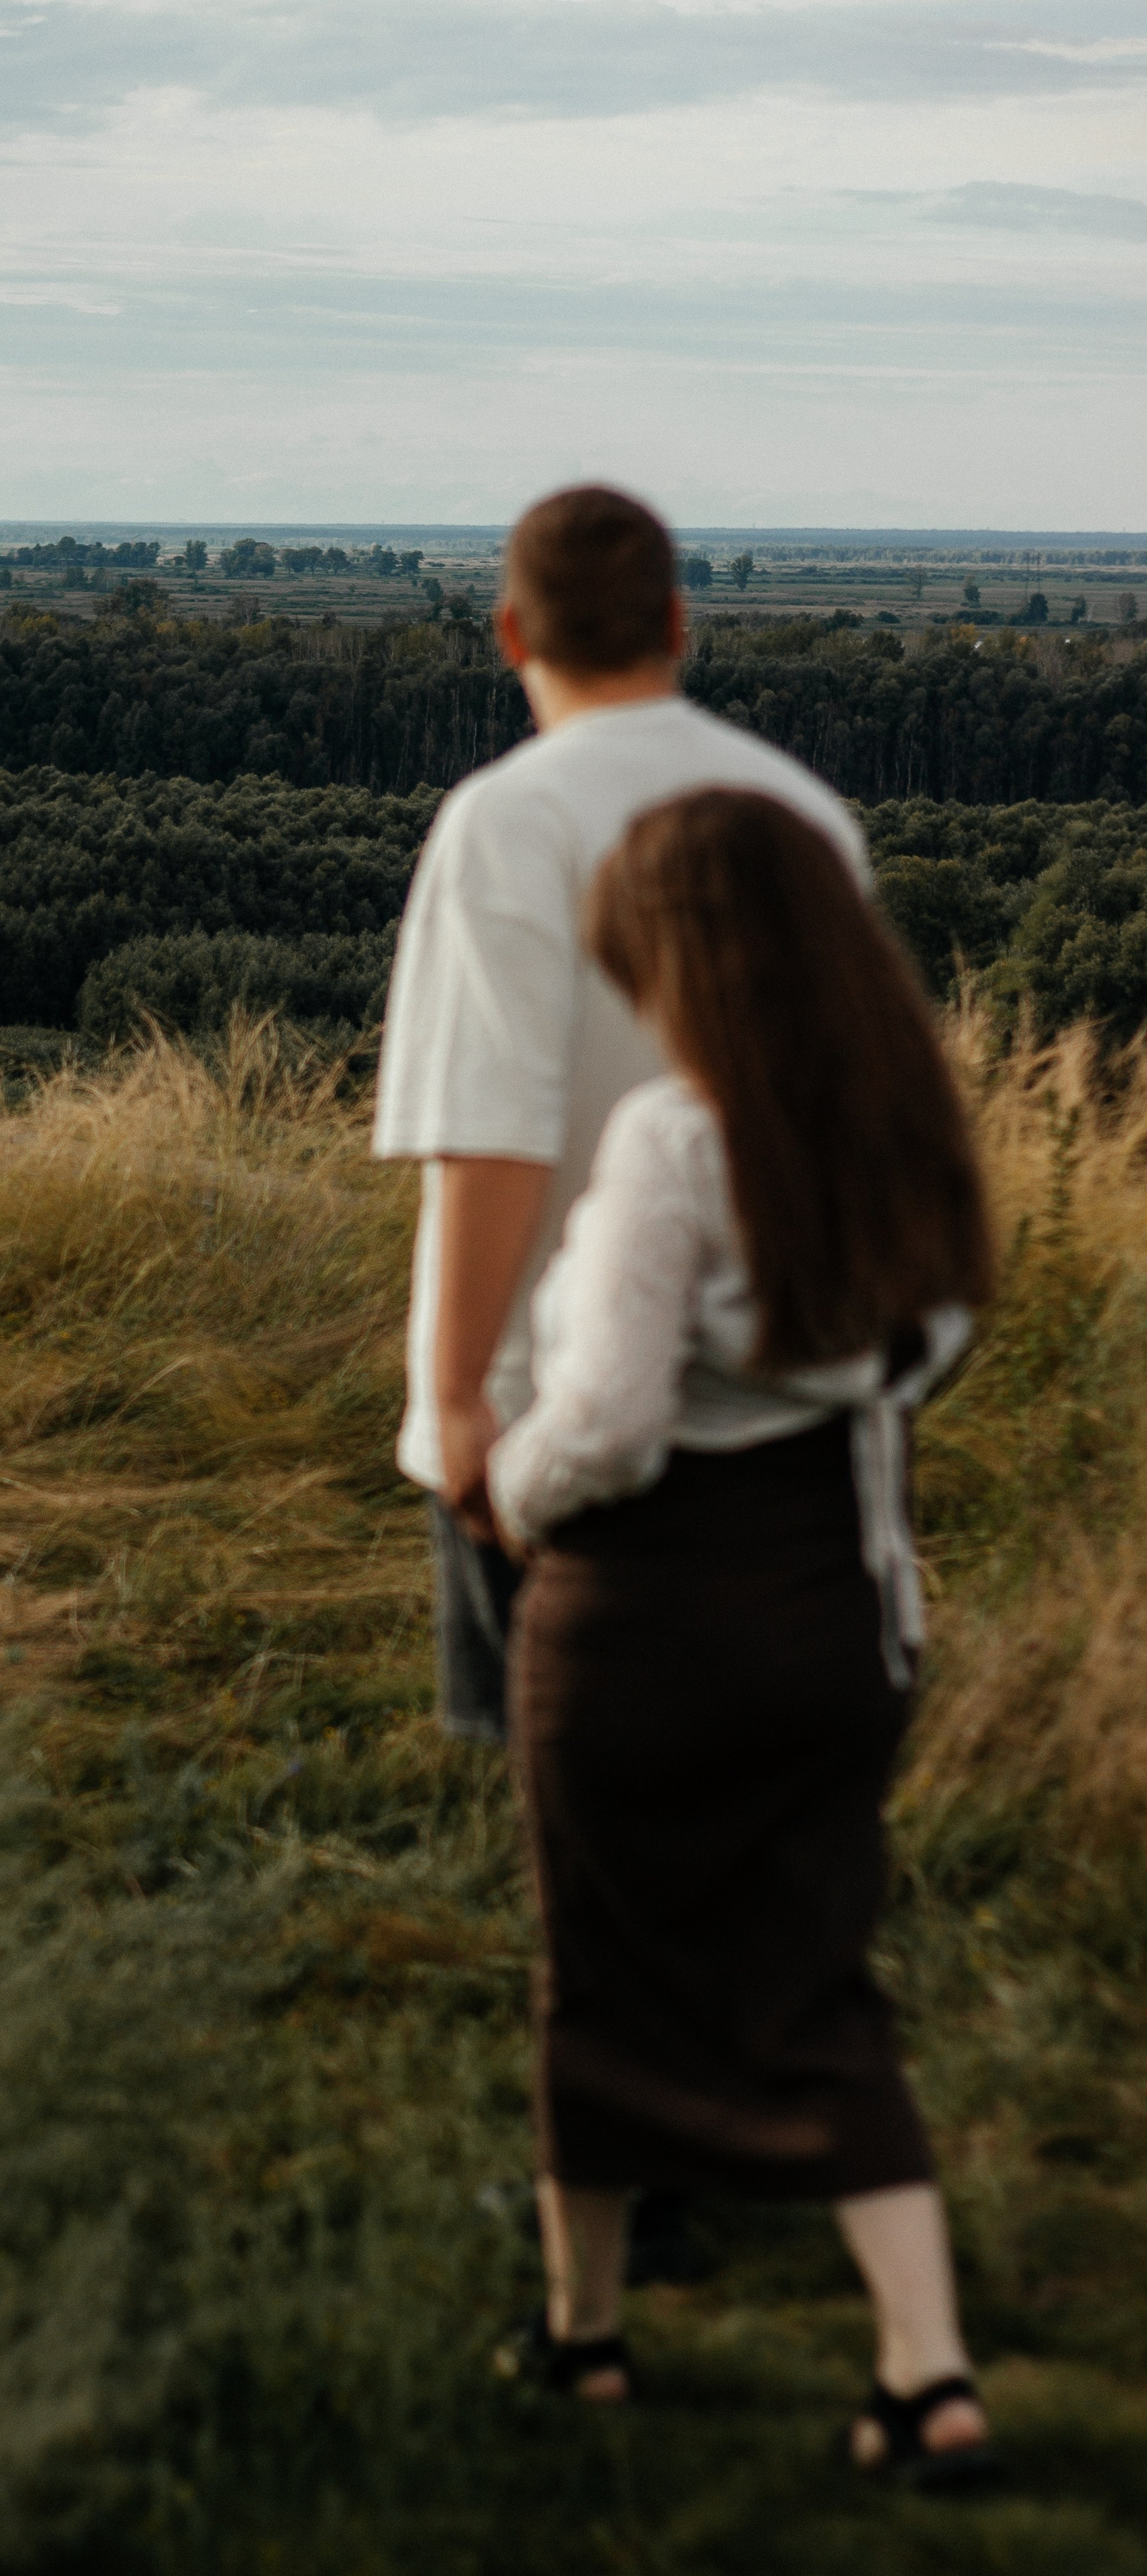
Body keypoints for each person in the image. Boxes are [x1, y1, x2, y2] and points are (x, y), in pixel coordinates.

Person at [486, 788, 998, 2488]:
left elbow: (612, 1419)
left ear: (681, 960)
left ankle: (585, 2339)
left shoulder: (670, 1140)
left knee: (603, 1965)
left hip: (646, 1614)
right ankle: (926, 2373)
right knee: (813, 1967)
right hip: (838, 1608)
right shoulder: (901, 1123)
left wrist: (510, 1484)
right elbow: (930, 1351)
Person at [372, 485, 869, 1749]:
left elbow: (491, 1137)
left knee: (566, 1787)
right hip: (786, 1391)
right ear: (677, 622)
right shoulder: (806, 812)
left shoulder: (505, 820)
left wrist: (456, 1402)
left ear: (511, 636)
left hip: (562, 1404)